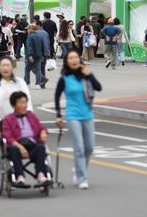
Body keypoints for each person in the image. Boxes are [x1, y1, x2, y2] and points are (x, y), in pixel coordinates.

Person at [55, 50, 102, 189]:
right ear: (67, 61)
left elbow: (98, 88)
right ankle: (82, 178)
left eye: (76, 57)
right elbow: (57, 96)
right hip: (72, 115)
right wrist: (58, 114)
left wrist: (90, 74)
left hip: (87, 114)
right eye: (71, 58)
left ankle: (78, 167)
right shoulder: (64, 78)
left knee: (90, 147)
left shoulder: (86, 76)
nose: (74, 60)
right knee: (79, 148)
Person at [1, 92, 50, 186]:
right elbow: (7, 136)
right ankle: (20, 177)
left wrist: (43, 132)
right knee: (14, 149)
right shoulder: (8, 119)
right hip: (16, 145)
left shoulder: (31, 116)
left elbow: (41, 127)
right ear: (13, 105)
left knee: (40, 147)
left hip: (31, 145)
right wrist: (20, 147)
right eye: (20, 103)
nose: (24, 105)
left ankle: (41, 174)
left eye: (25, 102)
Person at [0, 56, 31, 144]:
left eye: (8, 65)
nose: (5, 68)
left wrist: (29, 113)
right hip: (0, 119)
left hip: (18, 118)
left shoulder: (19, 82)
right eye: (3, 65)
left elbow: (27, 99)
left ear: (12, 67)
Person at [24, 24, 44, 88]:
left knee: (27, 70)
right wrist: (42, 55)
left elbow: (29, 46)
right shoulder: (40, 36)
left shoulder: (30, 36)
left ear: (31, 29)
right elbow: (42, 46)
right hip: (38, 55)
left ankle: (27, 83)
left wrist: (30, 55)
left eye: (28, 29)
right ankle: (38, 84)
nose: (27, 30)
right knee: (38, 69)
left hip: (31, 56)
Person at [34, 21, 51, 87]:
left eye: (36, 25)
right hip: (45, 52)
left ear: (39, 25)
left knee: (36, 68)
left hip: (39, 53)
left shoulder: (37, 33)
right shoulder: (46, 33)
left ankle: (42, 80)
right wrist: (48, 52)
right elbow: (47, 43)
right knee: (42, 68)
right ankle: (43, 84)